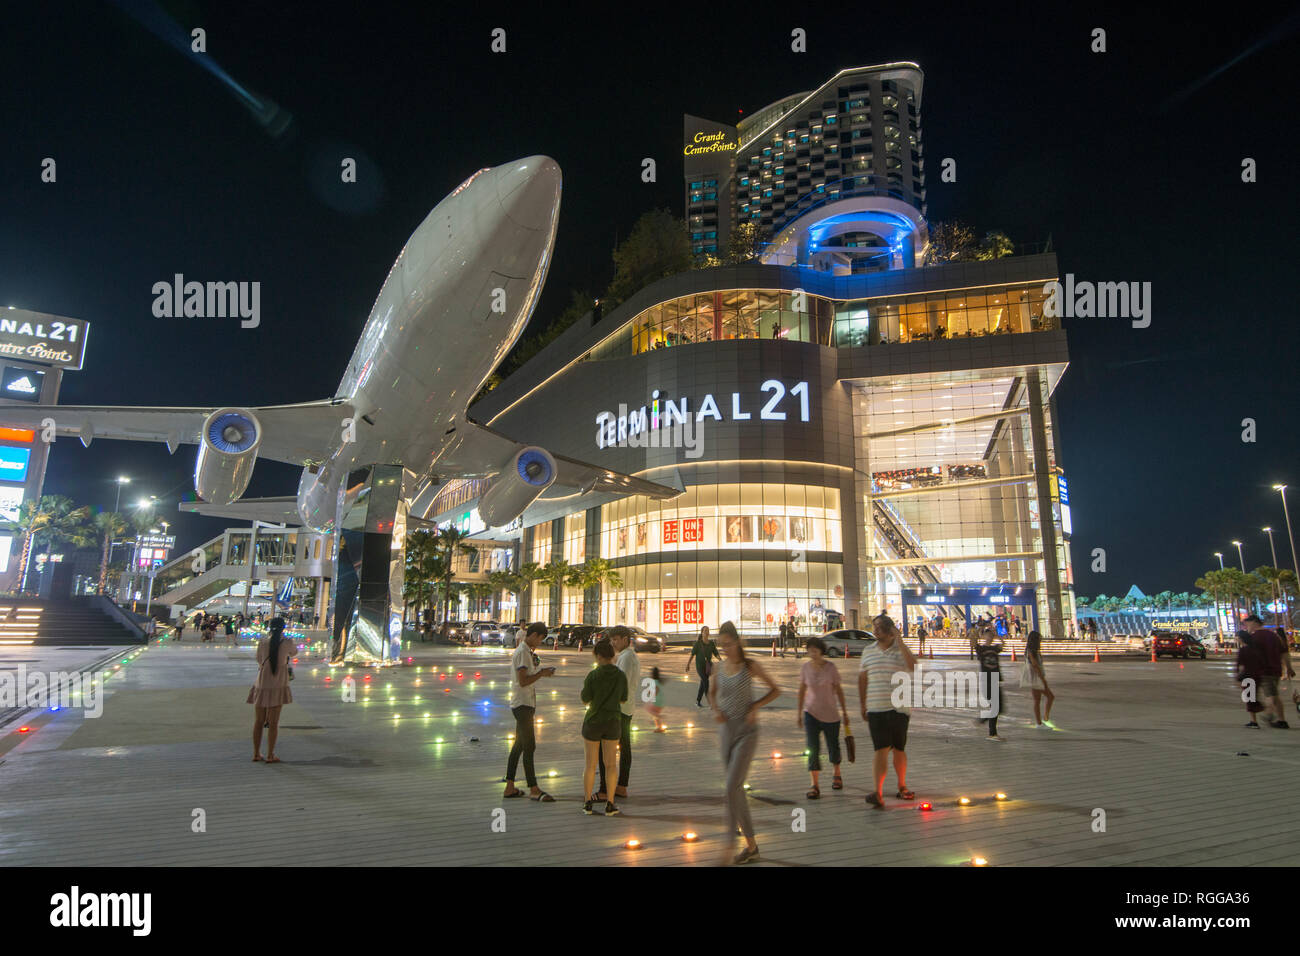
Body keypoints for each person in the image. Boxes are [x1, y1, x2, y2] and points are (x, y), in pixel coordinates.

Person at [710, 620, 780, 864]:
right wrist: (716, 709)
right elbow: (711, 693)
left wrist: (755, 705)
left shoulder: (750, 666)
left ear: (737, 642)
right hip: (726, 731)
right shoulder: (718, 667)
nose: (724, 649)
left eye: (727, 644)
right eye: (721, 646)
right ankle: (751, 847)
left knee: (731, 787)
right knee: (734, 790)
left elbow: (775, 690)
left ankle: (730, 844)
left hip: (746, 732)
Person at [858, 613, 917, 808]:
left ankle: (902, 786)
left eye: (880, 626)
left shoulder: (900, 650)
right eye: (874, 626)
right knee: (881, 749)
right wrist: (862, 704)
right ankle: (878, 792)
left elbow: (912, 666)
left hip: (899, 708)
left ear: (890, 630)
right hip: (876, 707)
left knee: (899, 749)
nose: (875, 629)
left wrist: (899, 639)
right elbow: (862, 678)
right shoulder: (868, 651)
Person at [503, 622, 557, 801]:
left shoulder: (526, 652)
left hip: (524, 704)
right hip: (522, 705)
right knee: (529, 746)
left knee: (519, 746)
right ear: (533, 635)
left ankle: (510, 786)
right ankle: (533, 788)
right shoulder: (523, 653)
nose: (540, 642)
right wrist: (541, 673)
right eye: (540, 638)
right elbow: (523, 680)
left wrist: (541, 672)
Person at [580, 639, 628, 816]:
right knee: (610, 765)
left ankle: (587, 803)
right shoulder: (620, 675)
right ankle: (610, 803)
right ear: (612, 655)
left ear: (598, 656)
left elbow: (585, 698)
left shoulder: (593, 675)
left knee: (590, 765)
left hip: (593, 721)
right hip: (613, 721)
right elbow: (623, 698)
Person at [796, 636, 848, 798]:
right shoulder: (805, 668)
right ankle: (814, 784)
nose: (812, 653)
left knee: (833, 745)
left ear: (821, 651)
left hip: (831, 714)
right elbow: (802, 690)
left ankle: (837, 774)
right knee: (813, 748)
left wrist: (845, 712)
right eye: (810, 650)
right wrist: (798, 713)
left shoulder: (831, 668)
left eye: (815, 650)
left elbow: (839, 690)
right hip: (810, 713)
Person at [597, 626, 641, 802]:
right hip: (625, 708)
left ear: (625, 639)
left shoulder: (627, 658)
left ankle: (607, 788)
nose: (613, 643)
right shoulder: (626, 656)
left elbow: (620, 683)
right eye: (612, 640)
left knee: (606, 748)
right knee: (624, 746)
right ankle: (621, 786)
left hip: (619, 710)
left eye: (616, 639)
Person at [246, 617, 294, 762]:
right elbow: (294, 652)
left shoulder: (262, 642)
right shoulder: (287, 642)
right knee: (273, 723)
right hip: (278, 684)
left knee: (259, 721)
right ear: (283, 628)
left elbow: (259, 659)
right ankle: (270, 754)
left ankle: (256, 753)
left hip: (262, 683)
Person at [1242, 614, 1294, 728]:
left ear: (1254, 622)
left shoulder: (1254, 638)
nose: (1246, 627)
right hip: (1276, 670)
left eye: (1247, 624)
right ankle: (1282, 720)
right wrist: (1289, 668)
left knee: (1269, 695)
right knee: (1274, 694)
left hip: (1263, 671)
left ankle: (1268, 714)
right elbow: (1284, 653)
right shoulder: (1275, 636)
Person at [973, 626, 1004, 740]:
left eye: (991, 635)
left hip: (996, 679)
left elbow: (1002, 645)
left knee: (999, 708)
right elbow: (974, 642)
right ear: (984, 636)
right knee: (996, 707)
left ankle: (984, 721)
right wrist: (978, 632)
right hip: (987, 680)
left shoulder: (995, 648)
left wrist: (998, 636)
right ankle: (992, 733)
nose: (990, 637)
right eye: (988, 635)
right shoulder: (981, 649)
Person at [1024, 630, 1055, 728]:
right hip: (1036, 678)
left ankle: (1041, 721)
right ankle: (1042, 720)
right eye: (1039, 640)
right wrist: (1042, 679)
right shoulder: (1031, 651)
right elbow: (1035, 665)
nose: (1040, 641)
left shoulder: (1032, 651)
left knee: (1038, 700)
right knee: (1049, 697)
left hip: (1036, 678)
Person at [1235, 630, 1265, 728]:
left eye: (1237, 637)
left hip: (1247, 677)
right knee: (1252, 697)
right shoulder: (1256, 649)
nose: (1236, 639)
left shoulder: (1244, 650)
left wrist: (1238, 678)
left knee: (1250, 699)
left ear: (1241, 638)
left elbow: (1239, 665)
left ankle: (1254, 721)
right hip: (1257, 676)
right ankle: (1257, 715)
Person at [686, 625, 721, 706]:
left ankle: (698, 701)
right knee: (706, 681)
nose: (707, 632)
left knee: (703, 683)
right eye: (705, 631)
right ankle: (710, 700)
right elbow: (692, 655)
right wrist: (688, 665)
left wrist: (721, 660)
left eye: (708, 630)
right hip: (699, 666)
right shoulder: (698, 644)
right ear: (702, 633)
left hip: (708, 667)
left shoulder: (711, 644)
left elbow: (716, 653)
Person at [644, 666, 667, 732]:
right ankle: (659, 727)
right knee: (655, 716)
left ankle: (659, 717)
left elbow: (655, 690)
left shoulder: (653, 682)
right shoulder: (658, 681)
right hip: (661, 701)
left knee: (648, 708)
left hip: (657, 702)